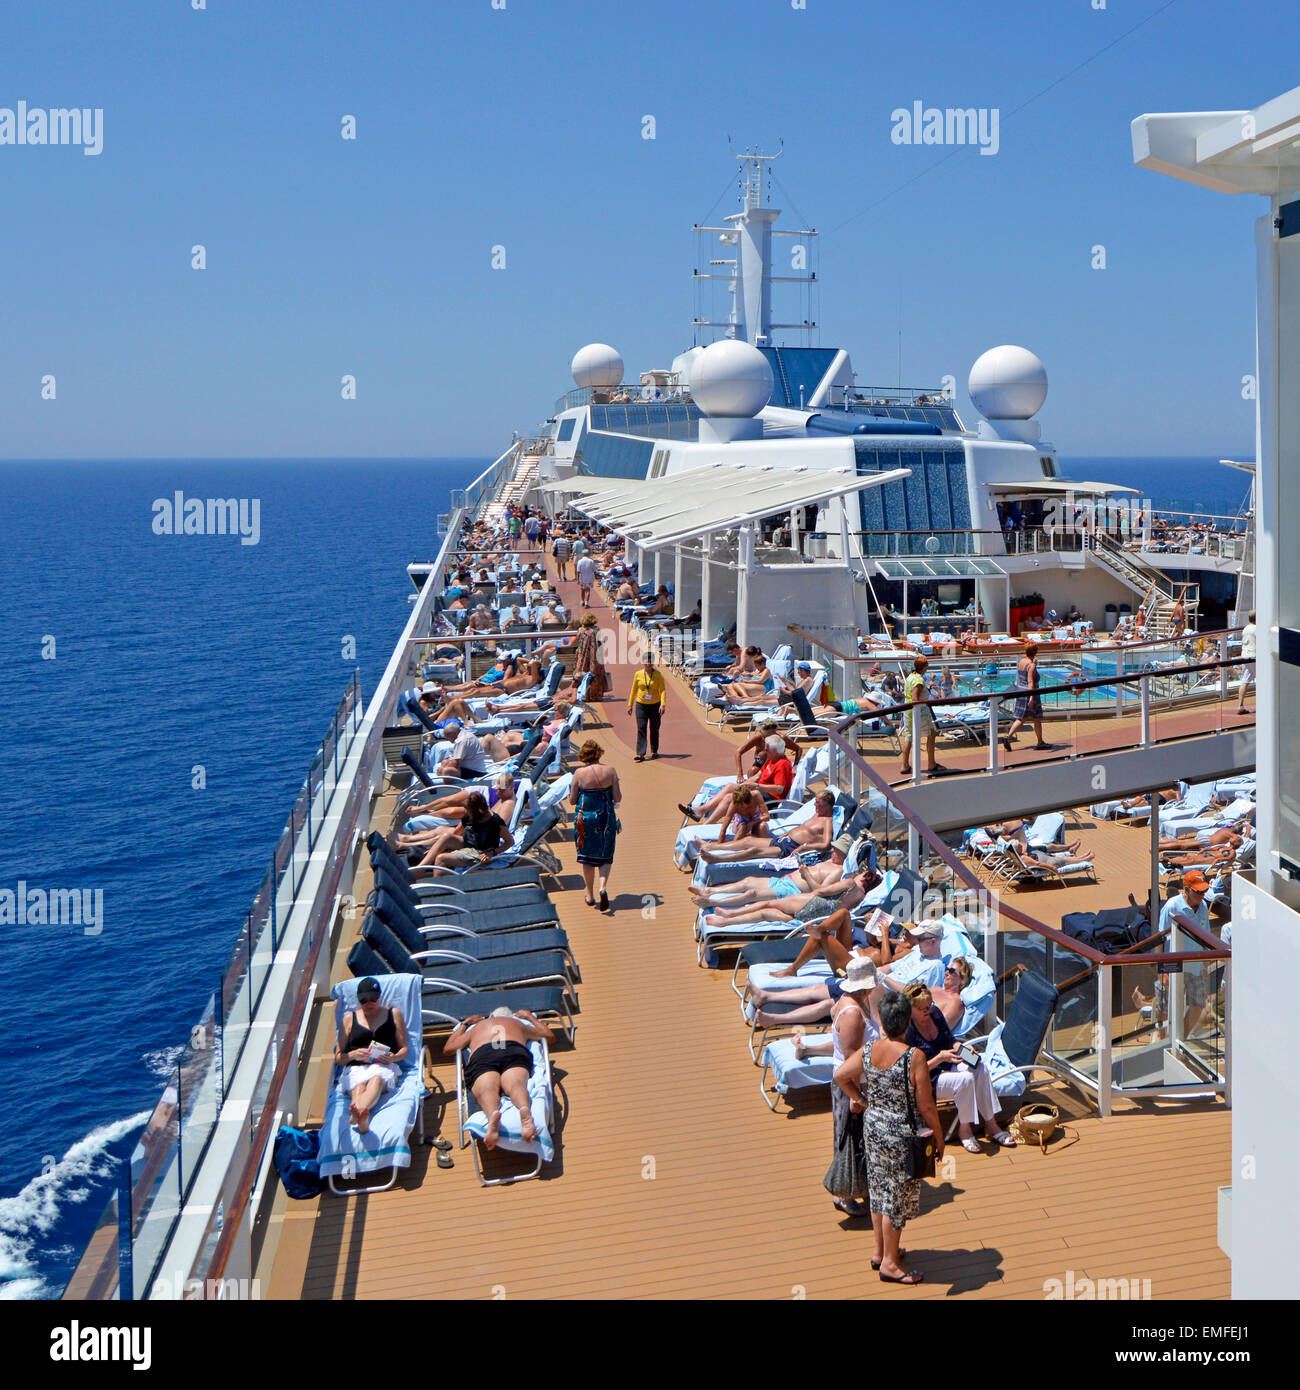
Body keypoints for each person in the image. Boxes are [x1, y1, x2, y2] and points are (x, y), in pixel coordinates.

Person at [837, 989, 944, 1284]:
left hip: (874, 1130)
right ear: (907, 1022)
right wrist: (939, 1137)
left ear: (884, 1021)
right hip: (902, 1137)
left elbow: (840, 1075)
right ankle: (891, 1264)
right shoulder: (914, 1057)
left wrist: (860, 1099)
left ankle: (880, 1252)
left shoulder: (870, 1050)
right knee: (897, 1199)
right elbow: (926, 1105)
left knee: (879, 1191)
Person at [792, 957, 880, 1217]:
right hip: (852, 1085)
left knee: (852, 1137)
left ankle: (852, 1189)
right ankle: (844, 1194)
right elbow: (852, 1059)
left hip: (855, 1082)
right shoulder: (852, 1012)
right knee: (847, 1138)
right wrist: (856, 1096)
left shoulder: (852, 1002)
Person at [903, 981, 1015, 1152]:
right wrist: (939, 1059)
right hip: (929, 1078)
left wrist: (963, 1050)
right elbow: (911, 1071)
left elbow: (951, 1041)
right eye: (922, 1008)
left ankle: (991, 1125)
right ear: (910, 1009)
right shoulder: (907, 1031)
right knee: (966, 1078)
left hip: (949, 1062)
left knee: (980, 1067)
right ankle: (965, 1128)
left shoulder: (935, 1013)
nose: (927, 1010)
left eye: (929, 1005)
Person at [443, 1007, 554, 1149]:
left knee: (486, 1090)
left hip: (485, 1053)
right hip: (513, 1049)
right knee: (516, 1084)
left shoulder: (478, 1027)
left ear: (491, 1017)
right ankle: (524, 1109)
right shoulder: (519, 1025)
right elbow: (549, 1036)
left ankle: (492, 1116)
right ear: (511, 1018)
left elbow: (448, 1048)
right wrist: (530, 1017)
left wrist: (466, 1023)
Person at [336, 977, 410, 1134]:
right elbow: (338, 1057)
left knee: (375, 1080)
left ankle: (355, 1116)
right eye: (364, 1000)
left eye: (373, 999)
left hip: (384, 1066)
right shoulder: (349, 1019)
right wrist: (353, 1054)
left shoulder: (393, 1014)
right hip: (356, 1067)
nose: (369, 1003)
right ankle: (361, 1121)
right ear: (358, 1000)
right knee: (359, 1086)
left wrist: (393, 1058)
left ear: (380, 996)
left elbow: (404, 1049)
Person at [695, 787, 835, 865]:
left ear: (827, 805)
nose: (815, 804)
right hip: (783, 840)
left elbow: (827, 845)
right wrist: (785, 834)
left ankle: (717, 859)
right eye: (815, 802)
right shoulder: (817, 814)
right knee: (747, 841)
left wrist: (804, 847)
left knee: (753, 850)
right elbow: (801, 829)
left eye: (818, 803)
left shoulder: (827, 821)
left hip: (789, 848)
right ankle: (710, 846)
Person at [570, 738, 621, 910]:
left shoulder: (579, 774)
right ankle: (603, 887)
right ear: (599, 753)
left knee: (587, 857)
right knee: (605, 854)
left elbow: (572, 800)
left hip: (585, 819)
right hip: (605, 817)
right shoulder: (611, 771)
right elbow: (617, 798)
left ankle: (590, 896)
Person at [420, 790, 514, 875]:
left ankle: (440, 892)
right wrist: (437, 848)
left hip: (481, 853)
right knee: (446, 836)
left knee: (441, 859)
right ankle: (420, 869)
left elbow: (510, 842)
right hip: (467, 844)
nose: (467, 812)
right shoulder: (469, 816)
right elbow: (456, 833)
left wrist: (492, 853)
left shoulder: (495, 821)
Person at [898, 656, 946, 777]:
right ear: (925, 667)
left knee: (908, 735)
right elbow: (915, 698)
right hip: (919, 711)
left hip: (908, 710)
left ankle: (904, 765)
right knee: (931, 733)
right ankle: (931, 763)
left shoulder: (910, 676)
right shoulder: (918, 680)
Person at [1003, 640, 1050, 752]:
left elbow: (1023, 677)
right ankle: (1040, 742)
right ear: (1035, 652)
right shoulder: (1031, 665)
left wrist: (1034, 664)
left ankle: (1008, 737)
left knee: (1021, 718)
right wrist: (1032, 698)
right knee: (1037, 718)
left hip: (1021, 692)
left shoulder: (1022, 661)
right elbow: (1030, 682)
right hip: (1031, 693)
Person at [626, 651, 668, 761]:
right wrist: (630, 705)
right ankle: (641, 753)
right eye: (646, 661)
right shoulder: (638, 674)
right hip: (641, 705)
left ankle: (654, 750)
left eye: (650, 661)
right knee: (641, 727)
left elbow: (662, 690)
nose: (648, 663)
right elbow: (634, 690)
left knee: (654, 728)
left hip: (655, 705)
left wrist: (662, 705)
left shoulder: (658, 675)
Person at [1237, 609, 1256, 714]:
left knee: (1245, 681)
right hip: (1255, 657)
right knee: (1264, 681)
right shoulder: (1258, 629)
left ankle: (1240, 705)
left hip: (1245, 656)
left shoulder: (1245, 629)